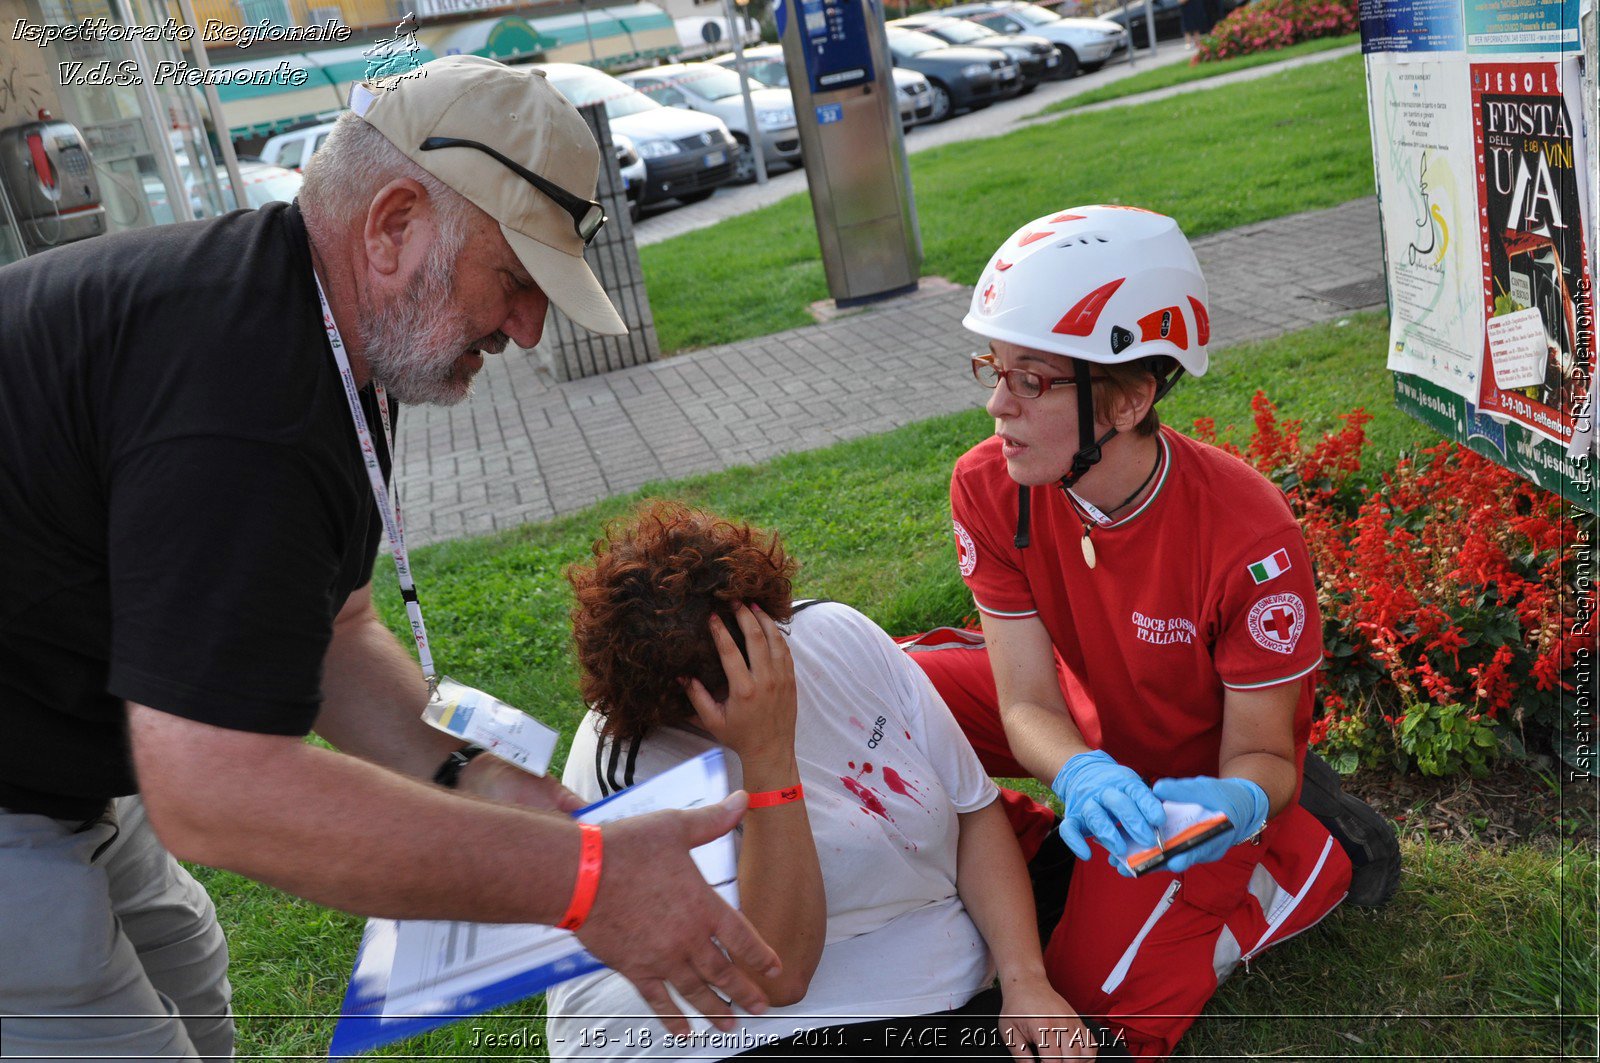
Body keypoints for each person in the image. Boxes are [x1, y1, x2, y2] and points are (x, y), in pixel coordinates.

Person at [0, 55, 779, 1059]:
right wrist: (586, 882)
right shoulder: (246, 394)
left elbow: (335, 627)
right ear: (394, 226)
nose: (530, 330)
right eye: (514, 279)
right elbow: (217, 789)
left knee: (188, 978)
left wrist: (463, 774)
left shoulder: (319, 330)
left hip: (60, 761)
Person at [901, 204, 1400, 1058]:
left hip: (1196, 783)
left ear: (1129, 399)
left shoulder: (1252, 539)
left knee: (1097, 1009)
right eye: (995, 367)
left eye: (1033, 379)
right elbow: (1024, 696)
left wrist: (1243, 801)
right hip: (1082, 716)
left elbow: (1261, 759)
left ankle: (1309, 856)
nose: (995, 404)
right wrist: (1082, 771)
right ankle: (1014, 843)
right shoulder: (989, 484)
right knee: (882, 695)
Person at [546, 503, 1124, 1060]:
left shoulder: (834, 632)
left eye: (761, 652)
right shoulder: (627, 762)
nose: (749, 691)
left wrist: (1026, 981)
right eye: (709, 696)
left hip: (915, 953)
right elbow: (778, 975)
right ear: (661, 705)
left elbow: (973, 811)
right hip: (742, 1026)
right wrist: (766, 757)